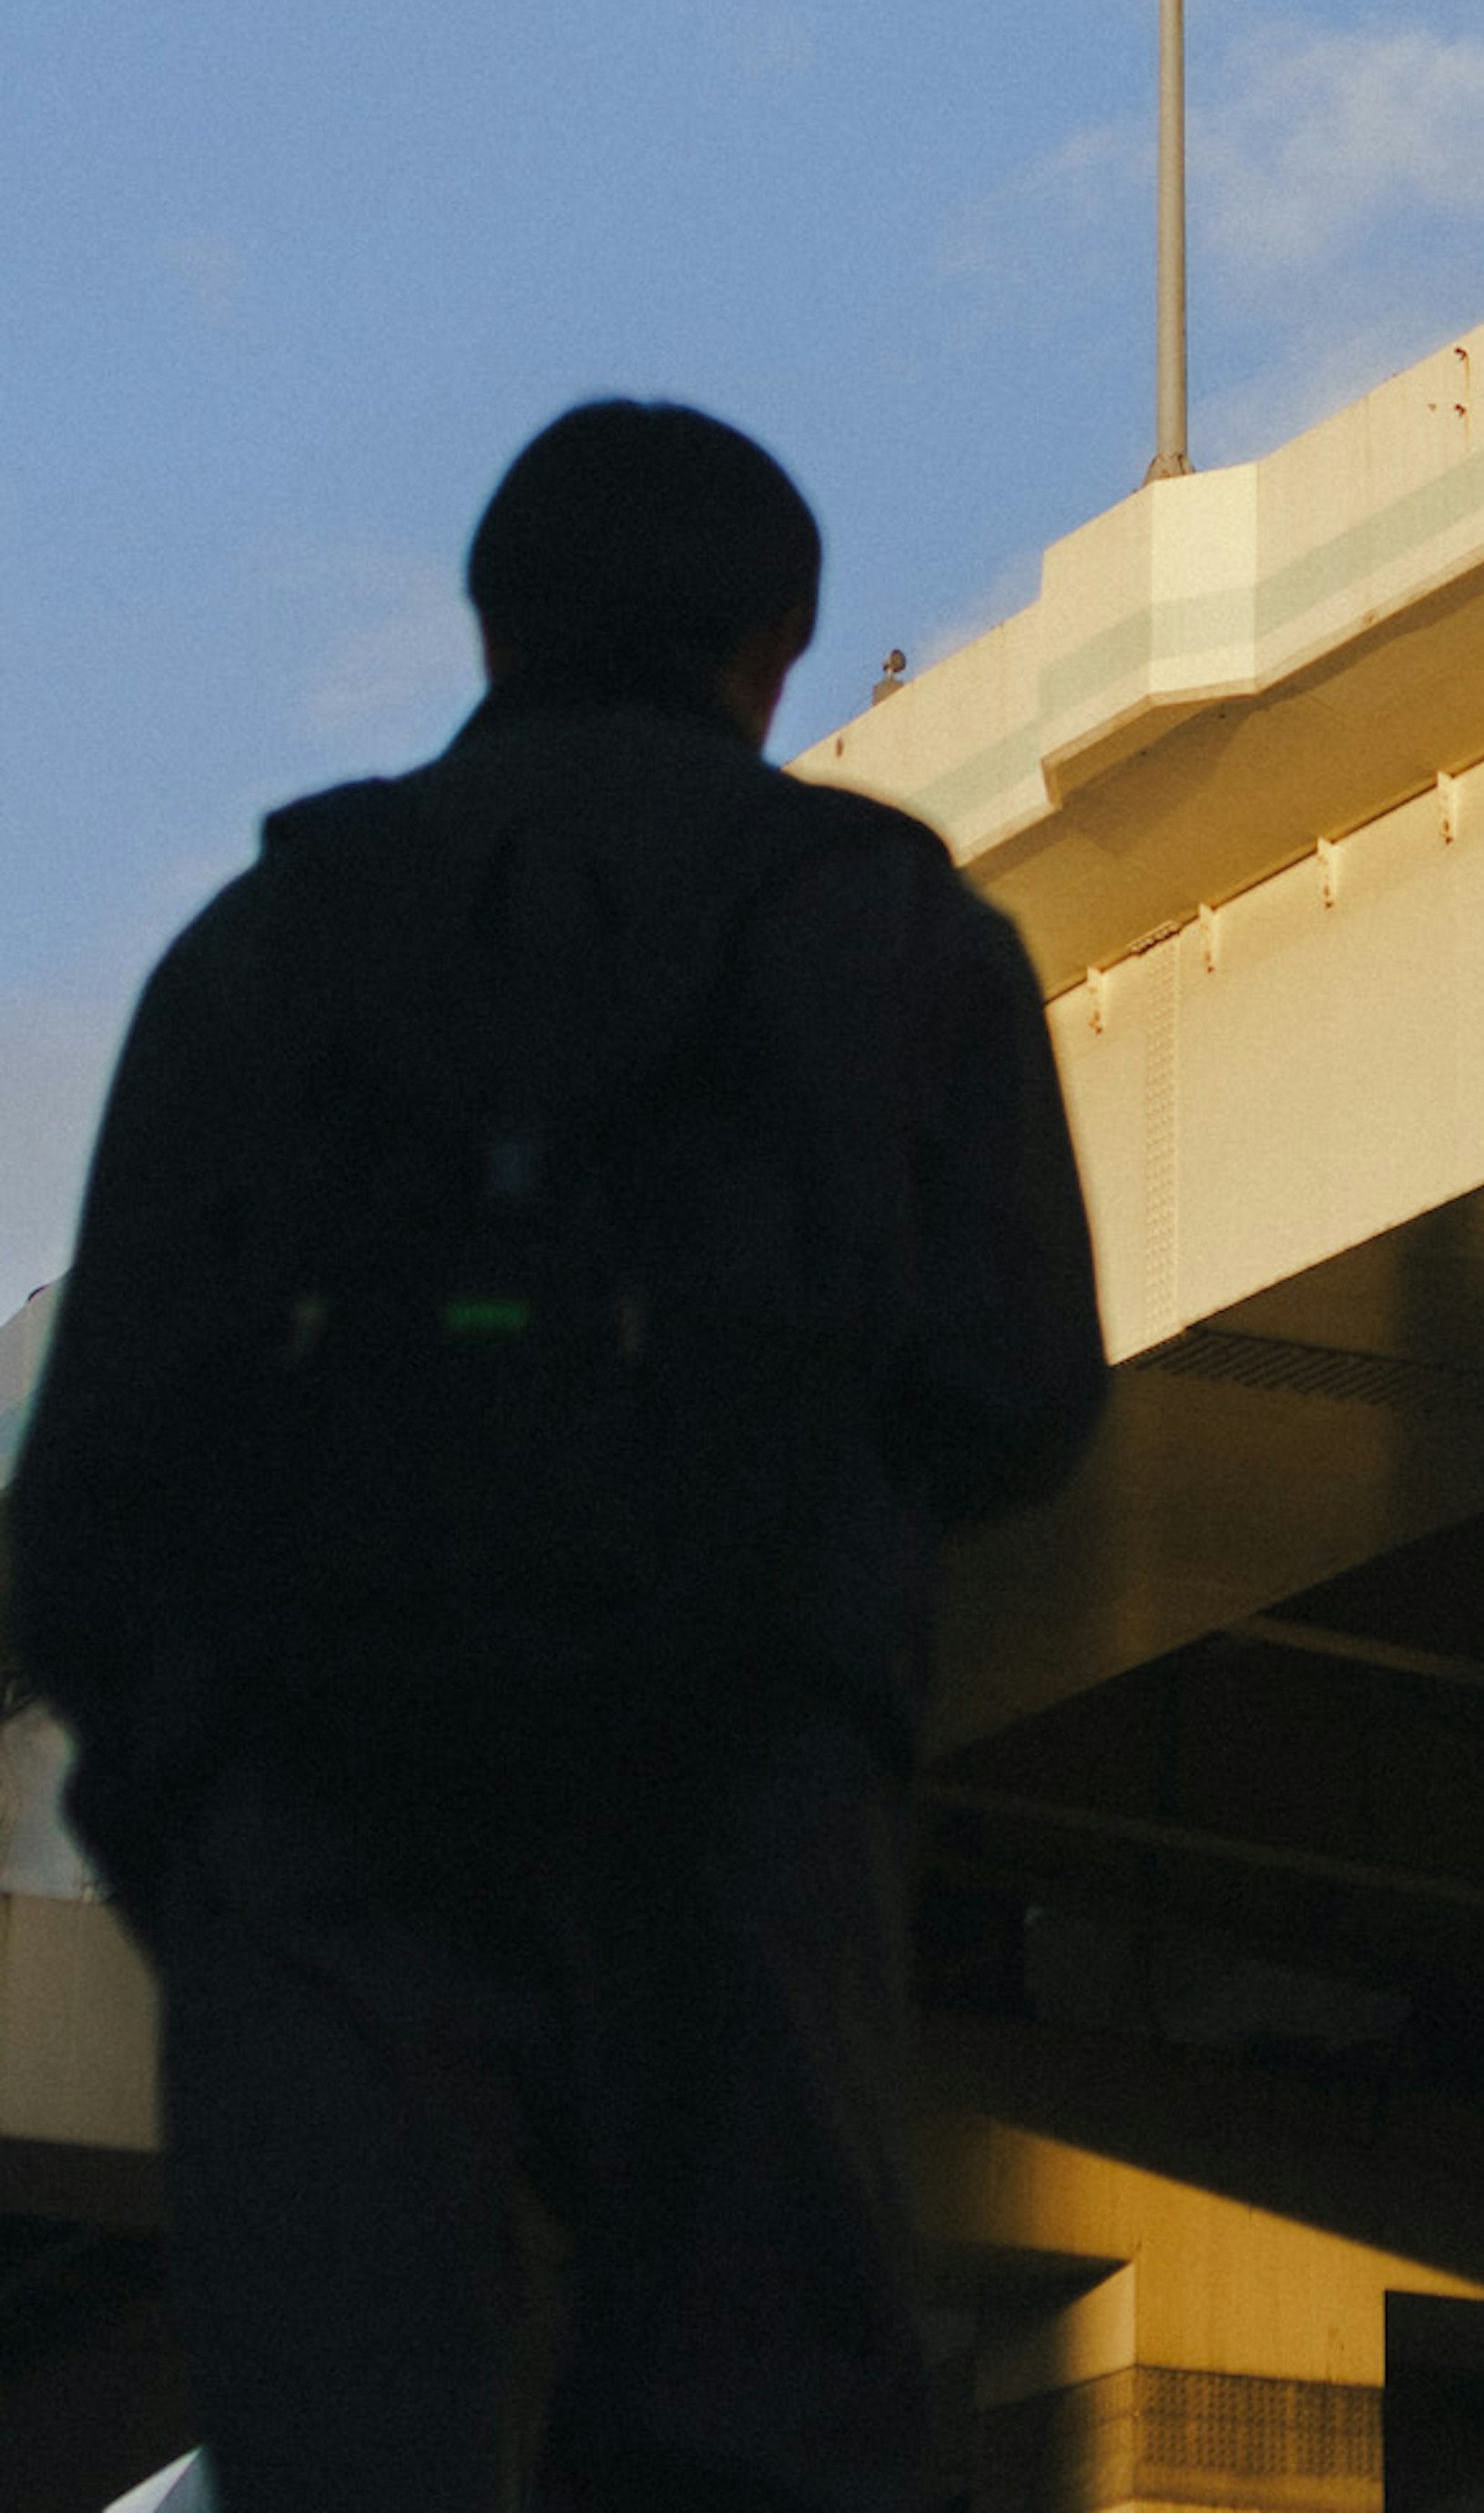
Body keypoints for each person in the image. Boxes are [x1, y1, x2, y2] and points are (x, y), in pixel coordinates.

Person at [6, 399, 1107, 2513]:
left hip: (321, 1818)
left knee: (349, 2446)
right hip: (733, 1805)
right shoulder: (889, 937)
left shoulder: (260, 951)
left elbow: (95, 1496)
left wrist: (207, 1836)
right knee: (759, 2436)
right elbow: (1023, 1389)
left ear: (490, 620)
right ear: (777, 640)